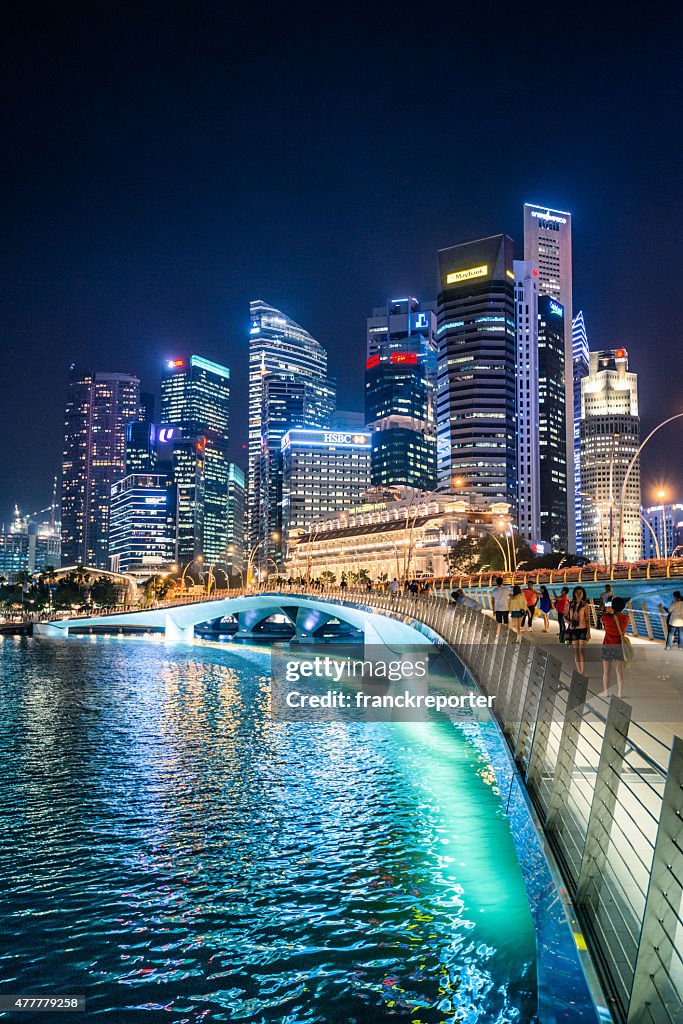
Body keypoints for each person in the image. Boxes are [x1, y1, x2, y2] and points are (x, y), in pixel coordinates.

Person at [600, 596, 630, 698]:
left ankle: (605, 692)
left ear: (612, 606)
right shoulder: (626, 618)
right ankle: (620, 692)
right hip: (619, 646)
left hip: (607, 645)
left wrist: (607, 611)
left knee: (606, 671)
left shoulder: (606, 618)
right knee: (619, 670)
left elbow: (601, 620)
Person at [566, 586, 591, 675]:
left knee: (581, 650)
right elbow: (565, 616)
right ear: (574, 594)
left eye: (581, 592)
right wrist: (569, 621)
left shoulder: (585, 605)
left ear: (583, 594)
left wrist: (589, 632)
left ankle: (582, 672)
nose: (579, 594)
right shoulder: (570, 604)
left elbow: (587, 619)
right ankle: (579, 670)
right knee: (576, 651)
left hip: (583, 629)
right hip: (573, 630)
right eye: (577, 592)